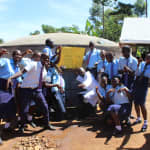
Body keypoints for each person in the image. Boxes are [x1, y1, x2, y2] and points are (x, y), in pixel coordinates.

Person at [7, 53, 56, 133]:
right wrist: (11, 77)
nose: (46, 60)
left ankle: (47, 124)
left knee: (45, 107)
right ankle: (22, 126)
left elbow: (44, 84)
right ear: (40, 59)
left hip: (36, 90)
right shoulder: (33, 64)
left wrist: (55, 85)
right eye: (45, 58)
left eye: (48, 59)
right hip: (25, 90)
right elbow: (22, 72)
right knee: (24, 110)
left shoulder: (44, 71)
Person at [132, 53, 150, 132]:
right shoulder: (142, 63)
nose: (147, 59)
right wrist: (138, 64)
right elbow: (136, 73)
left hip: (144, 84)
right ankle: (138, 118)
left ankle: (145, 122)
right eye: (147, 57)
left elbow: (147, 75)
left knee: (142, 103)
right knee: (136, 102)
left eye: (149, 58)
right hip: (137, 83)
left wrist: (142, 73)